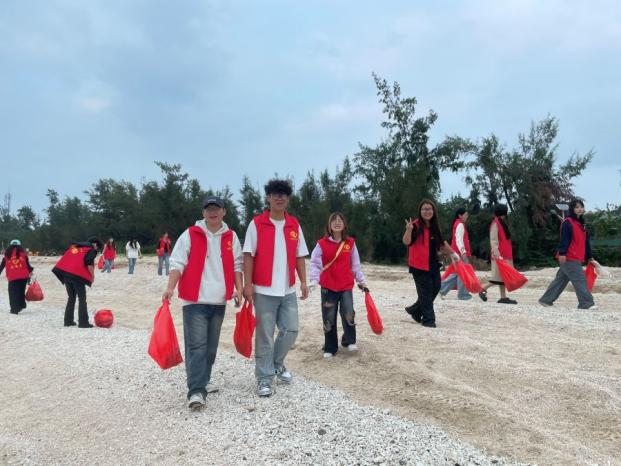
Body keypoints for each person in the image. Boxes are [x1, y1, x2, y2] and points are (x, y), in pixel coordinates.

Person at [162, 196, 243, 410]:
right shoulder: (191, 234)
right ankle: (196, 391)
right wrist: (170, 287)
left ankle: (204, 380)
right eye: (209, 209)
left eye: (216, 208)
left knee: (211, 347)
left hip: (219, 300)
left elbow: (237, 264)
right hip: (194, 299)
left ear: (224, 211)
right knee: (196, 346)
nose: (212, 212)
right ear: (203, 212)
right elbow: (177, 262)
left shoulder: (231, 237)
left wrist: (239, 288)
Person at [242, 179, 309, 397]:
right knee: (265, 336)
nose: (280, 198)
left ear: (288, 199)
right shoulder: (257, 224)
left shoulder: (294, 225)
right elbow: (248, 255)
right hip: (263, 290)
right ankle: (264, 378)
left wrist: (303, 281)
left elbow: (299, 256)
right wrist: (247, 284)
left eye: (284, 194)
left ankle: (276, 363)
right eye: (275, 194)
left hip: (287, 289)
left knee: (291, 330)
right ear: (268, 198)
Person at [309, 212, 367, 358]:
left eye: (340, 220)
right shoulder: (321, 244)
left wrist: (361, 281)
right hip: (328, 287)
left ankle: (349, 341)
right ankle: (330, 347)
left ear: (344, 224)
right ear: (329, 225)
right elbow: (315, 263)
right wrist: (313, 280)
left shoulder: (350, 243)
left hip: (346, 286)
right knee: (328, 317)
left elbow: (356, 264)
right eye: (334, 220)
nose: (337, 222)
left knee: (349, 313)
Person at [402, 199, 459, 328]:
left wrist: (453, 254)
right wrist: (408, 230)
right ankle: (428, 320)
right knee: (426, 292)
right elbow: (406, 241)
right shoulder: (415, 225)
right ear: (420, 211)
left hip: (433, 263)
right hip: (418, 265)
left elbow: (442, 243)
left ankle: (416, 311)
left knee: (436, 287)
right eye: (424, 209)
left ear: (433, 211)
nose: (427, 211)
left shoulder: (434, 226)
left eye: (429, 209)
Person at [539, 199, 598, 310]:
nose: (580, 209)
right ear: (572, 209)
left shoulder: (582, 224)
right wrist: (562, 253)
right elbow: (564, 239)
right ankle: (586, 303)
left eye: (581, 207)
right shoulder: (568, 222)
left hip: (575, 256)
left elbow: (585, 242)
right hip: (569, 256)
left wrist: (589, 257)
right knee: (580, 279)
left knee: (560, 280)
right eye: (577, 207)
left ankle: (546, 300)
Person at [52, 237, 102, 328]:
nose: (96, 249)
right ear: (95, 244)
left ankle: (68, 321)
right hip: (76, 276)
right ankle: (83, 323)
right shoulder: (91, 249)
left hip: (65, 273)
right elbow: (89, 263)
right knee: (82, 298)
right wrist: (92, 276)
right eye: (97, 247)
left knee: (71, 298)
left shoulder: (75, 247)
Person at [478, 204, 518, 304]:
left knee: (502, 277)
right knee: (497, 278)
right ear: (503, 212)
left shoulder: (501, 223)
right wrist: (497, 255)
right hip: (500, 255)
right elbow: (493, 240)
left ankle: (503, 297)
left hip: (505, 254)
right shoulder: (495, 223)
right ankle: (482, 289)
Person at [439, 207, 473, 301]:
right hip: (459, 253)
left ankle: (440, 289)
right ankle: (463, 295)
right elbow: (458, 240)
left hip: (456, 252)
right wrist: (463, 252)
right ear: (460, 215)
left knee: (456, 274)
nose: (467, 216)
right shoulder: (460, 224)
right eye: (466, 214)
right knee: (462, 273)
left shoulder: (457, 223)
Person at [0, 240, 33, 314]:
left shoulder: (7, 254)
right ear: (20, 246)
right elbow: (28, 266)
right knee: (21, 291)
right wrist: (30, 273)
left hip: (12, 276)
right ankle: (21, 305)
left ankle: (14, 309)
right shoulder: (23, 254)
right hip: (24, 276)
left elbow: (2, 266)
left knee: (13, 293)